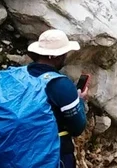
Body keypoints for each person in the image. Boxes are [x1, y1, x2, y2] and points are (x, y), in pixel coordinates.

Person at [26, 29, 88, 168]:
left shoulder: (20, 76)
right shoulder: (60, 85)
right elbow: (77, 127)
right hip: (53, 154)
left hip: (20, 151)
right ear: (59, 57)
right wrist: (80, 101)